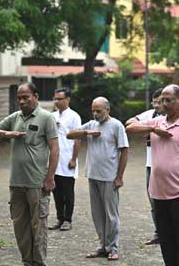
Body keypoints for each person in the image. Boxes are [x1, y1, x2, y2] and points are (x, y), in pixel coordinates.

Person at [127, 85, 179, 266]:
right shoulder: (157, 122)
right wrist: (154, 130)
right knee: (165, 238)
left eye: (169, 100)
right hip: (157, 191)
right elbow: (129, 126)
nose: (165, 104)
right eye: (162, 100)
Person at [0, 82, 59, 266]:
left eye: (25, 97)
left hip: (37, 182)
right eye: (19, 98)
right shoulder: (15, 117)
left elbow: (55, 149)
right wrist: (8, 133)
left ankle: (39, 262)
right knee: (20, 226)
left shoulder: (46, 117)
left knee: (39, 226)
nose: (21, 101)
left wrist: (50, 177)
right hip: (16, 182)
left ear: (35, 96)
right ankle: (27, 261)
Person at [68, 97, 129, 261]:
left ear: (107, 110)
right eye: (93, 110)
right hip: (93, 175)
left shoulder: (116, 125)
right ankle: (102, 246)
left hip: (110, 177)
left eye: (99, 111)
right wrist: (86, 132)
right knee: (98, 214)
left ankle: (113, 247)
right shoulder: (91, 124)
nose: (95, 114)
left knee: (111, 215)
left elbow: (124, 151)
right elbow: (70, 134)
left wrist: (120, 177)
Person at [125, 89, 163, 245]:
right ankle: (159, 232)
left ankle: (169, 232)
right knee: (153, 200)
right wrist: (148, 128)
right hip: (150, 164)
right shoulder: (150, 115)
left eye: (159, 102)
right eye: (154, 102)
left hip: (167, 164)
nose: (156, 105)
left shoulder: (172, 117)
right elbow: (129, 123)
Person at [48, 88, 81, 232]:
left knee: (68, 191)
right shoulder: (52, 116)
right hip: (55, 160)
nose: (56, 101)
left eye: (59, 99)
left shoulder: (74, 116)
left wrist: (74, 158)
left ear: (67, 100)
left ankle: (68, 219)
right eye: (55, 98)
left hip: (67, 158)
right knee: (56, 190)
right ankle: (59, 218)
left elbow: (78, 138)